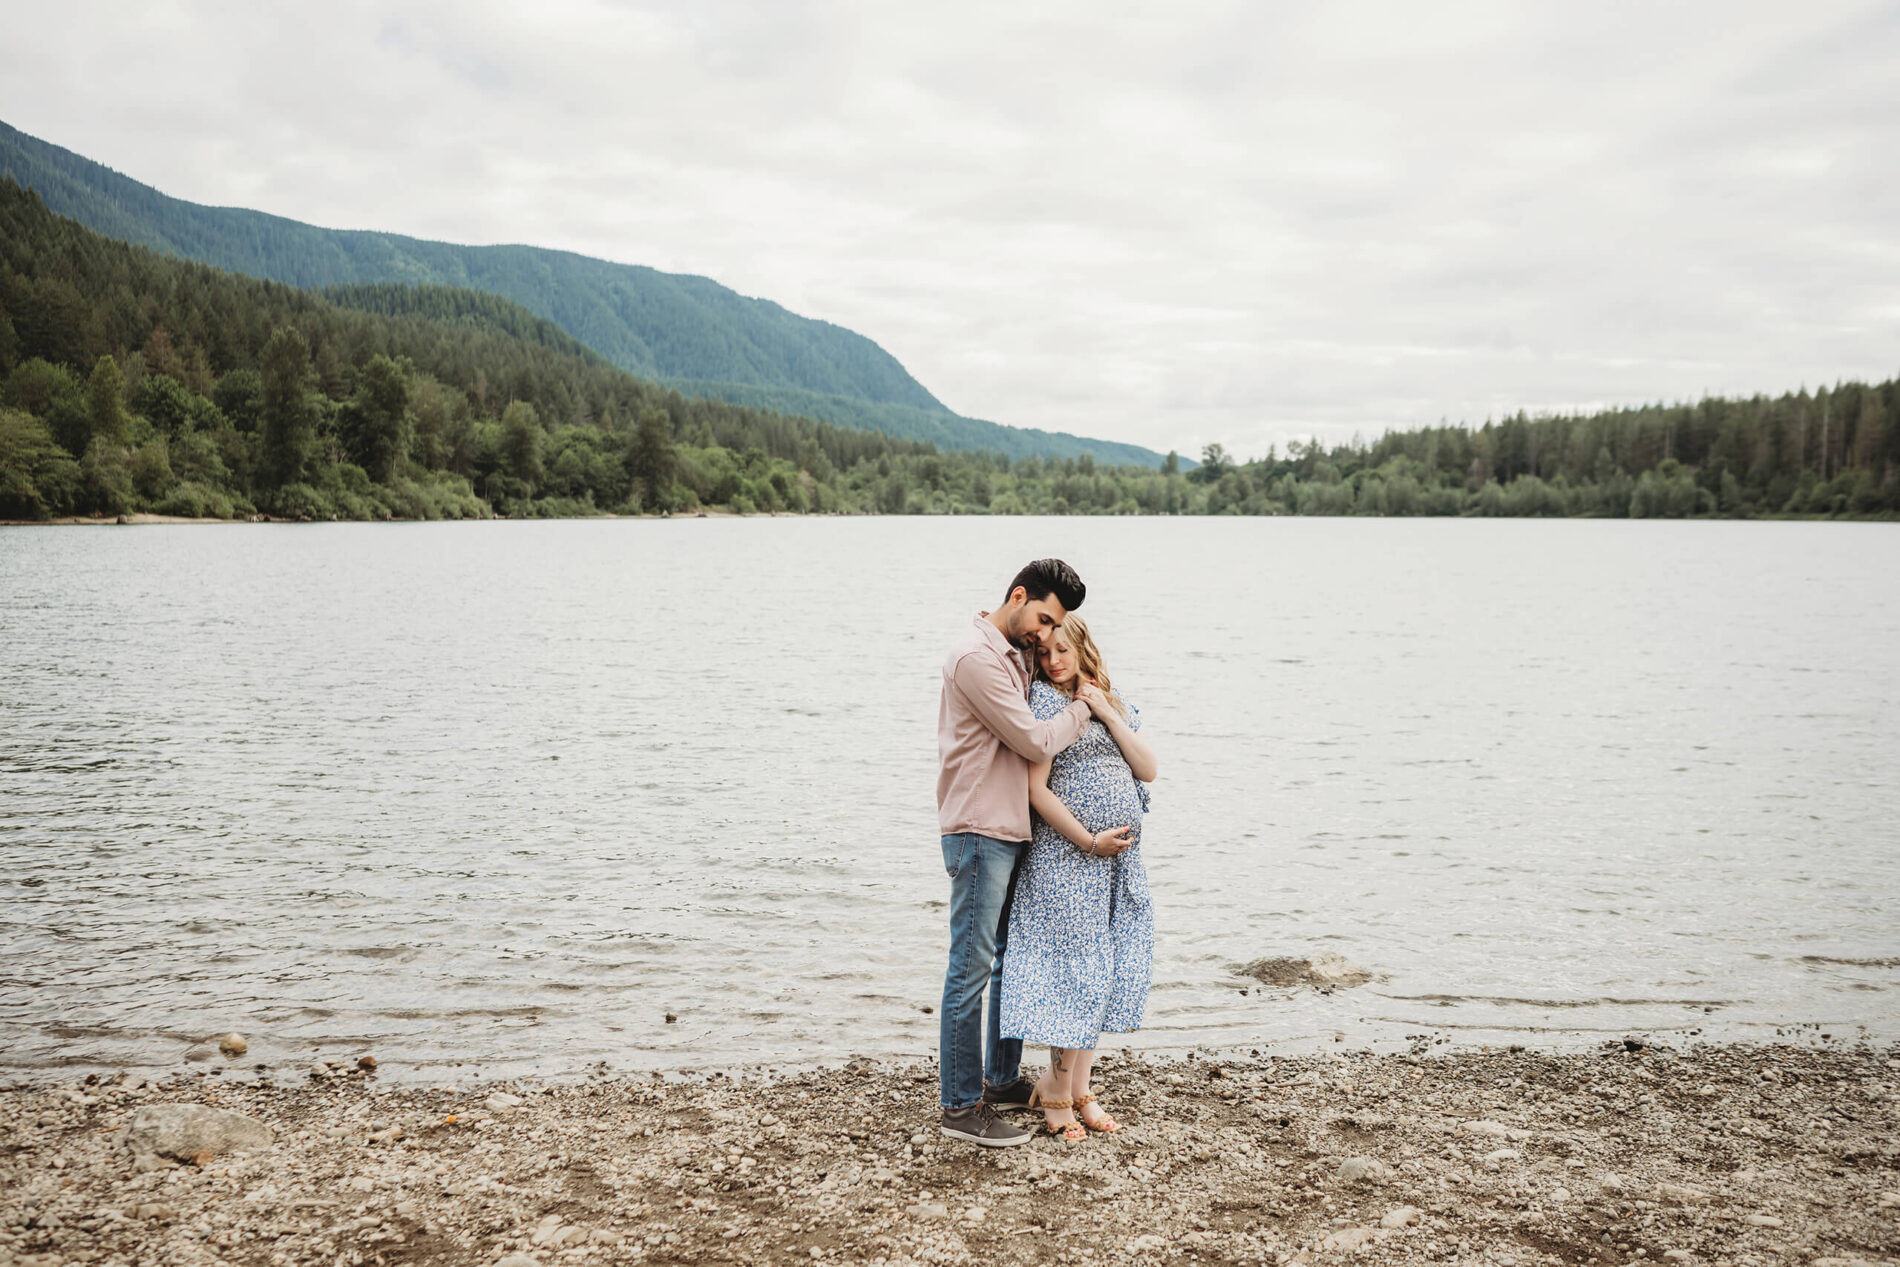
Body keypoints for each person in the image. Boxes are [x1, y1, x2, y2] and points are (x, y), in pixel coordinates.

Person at [936, 559, 1127, 1147]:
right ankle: (961, 1106)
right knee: (970, 968)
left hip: (1010, 827)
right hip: (979, 826)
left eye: (1054, 627)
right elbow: (1033, 738)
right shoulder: (975, 658)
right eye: (1042, 618)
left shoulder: (1016, 650)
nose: (1045, 636)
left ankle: (998, 1080)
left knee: (1005, 962)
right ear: (1017, 596)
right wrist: (1087, 707)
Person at [998, 614, 1156, 1141]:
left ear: (1084, 647)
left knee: (1105, 970)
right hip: (1068, 859)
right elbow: (1035, 790)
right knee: (1074, 975)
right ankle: (1059, 1090)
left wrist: (1106, 713)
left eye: (1062, 650)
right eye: (1043, 654)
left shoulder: (1112, 700)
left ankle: (1078, 1086)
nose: (1053, 661)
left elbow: (1147, 769)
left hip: (1118, 864)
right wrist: (1088, 841)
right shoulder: (1042, 704)